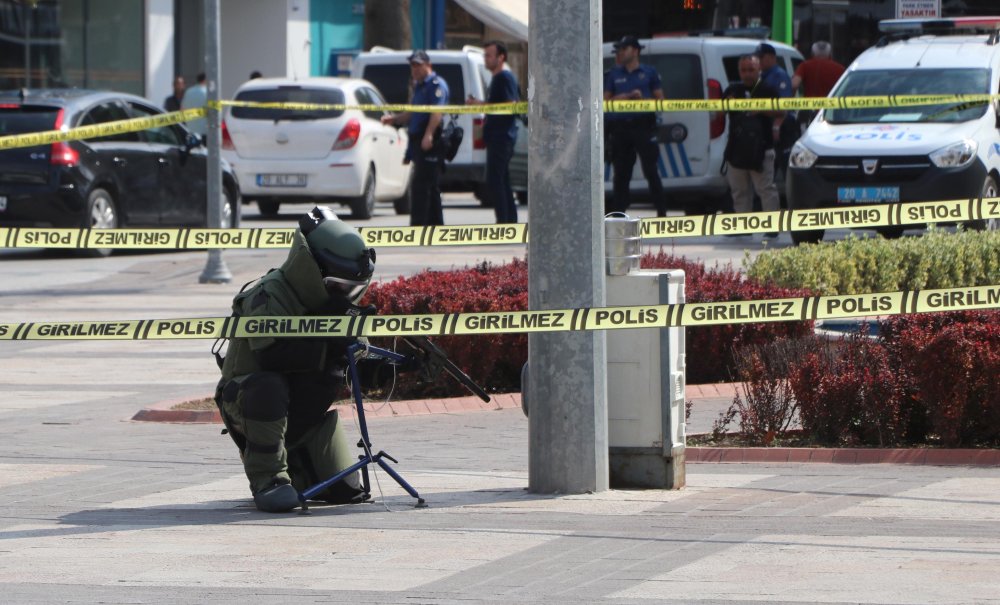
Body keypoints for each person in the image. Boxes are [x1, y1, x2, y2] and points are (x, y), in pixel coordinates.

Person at [214, 206, 417, 513]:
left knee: (345, 494)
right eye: (339, 286)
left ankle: (297, 468)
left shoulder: (338, 309)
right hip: (248, 401)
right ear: (313, 271)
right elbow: (272, 356)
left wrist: (397, 367)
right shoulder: (270, 295)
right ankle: (269, 480)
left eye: (354, 290)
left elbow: (355, 367)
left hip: (304, 416)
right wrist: (329, 343)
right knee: (268, 386)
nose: (346, 295)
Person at [381, 50, 449, 226]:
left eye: (418, 65)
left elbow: (436, 112)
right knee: (430, 186)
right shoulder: (419, 86)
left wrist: (428, 135)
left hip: (431, 141)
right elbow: (413, 112)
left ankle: (419, 227)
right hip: (419, 140)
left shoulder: (436, 84)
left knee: (421, 186)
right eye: (412, 66)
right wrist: (395, 119)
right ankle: (435, 226)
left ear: (429, 65)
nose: (415, 69)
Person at [603, 35, 667, 217]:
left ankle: (662, 214)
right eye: (620, 50)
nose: (621, 52)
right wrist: (626, 97)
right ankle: (618, 215)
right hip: (620, 128)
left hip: (643, 126)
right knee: (621, 174)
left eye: (624, 49)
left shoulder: (649, 72)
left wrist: (643, 100)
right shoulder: (614, 74)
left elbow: (660, 100)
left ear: (636, 51)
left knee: (651, 171)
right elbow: (605, 100)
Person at [722, 55, 783, 234]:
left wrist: (761, 109)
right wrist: (728, 103)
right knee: (739, 192)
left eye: (751, 69)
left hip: (762, 150)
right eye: (744, 70)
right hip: (737, 150)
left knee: (766, 189)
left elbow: (782, 111)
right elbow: (717, 112)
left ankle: (772, 227)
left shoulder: (768, 89)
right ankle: (743, 227)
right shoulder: (733, 89)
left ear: (759, 70)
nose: (747, 74)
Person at [467, 41, 520, 224]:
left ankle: (504, 222)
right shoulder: (497, 79)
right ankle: (508, 221)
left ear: (501, 57)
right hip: (496, 136)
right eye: (485, 55)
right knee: (501, 179)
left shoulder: (504, 78)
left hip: (502, 137)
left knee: (496, 180)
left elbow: (509, 105)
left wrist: (480, 105)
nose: (486, 59)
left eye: (489, 55)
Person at [755, 43, 796, 183]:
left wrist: (777, 126)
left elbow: (783, 107)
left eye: (761, 57)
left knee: (786, 170)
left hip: (782, 128)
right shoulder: (762, 76)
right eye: (757, 57)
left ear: (772, 58)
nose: (758, 61)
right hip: (768, 129)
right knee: (768, 173)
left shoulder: (779, 75)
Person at [792, 41, 846, 128]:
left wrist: (790, 105)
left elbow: (794, 84)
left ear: (812, 54)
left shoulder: (804, 66)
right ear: (830, 55)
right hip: (831, 113)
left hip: (808, 112)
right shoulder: (840, 69)